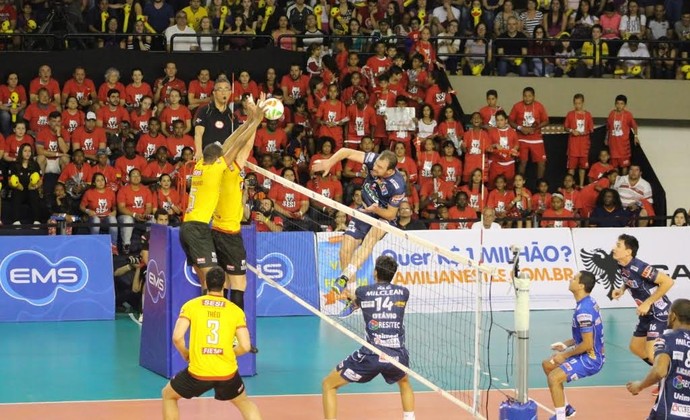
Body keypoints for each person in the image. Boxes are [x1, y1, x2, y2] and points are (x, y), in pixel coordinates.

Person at [180, 93, 266, 293]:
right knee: (216, 282)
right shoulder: (216, 170)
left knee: (206, 282)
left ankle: (207, 318)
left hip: (189, 226)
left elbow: (229, 143)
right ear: (218, 159)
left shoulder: (200, 165)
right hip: (201, 229)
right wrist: (256, 120)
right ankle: (219, 319)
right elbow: (237, 146)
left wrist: (249, 121)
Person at [312, 149, 406, 317]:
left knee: (370, 240)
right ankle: (353, 297)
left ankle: (344, 277)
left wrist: (376, 209)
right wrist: (329, 162)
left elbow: (391, 214)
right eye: (376, 164)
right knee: (345, 250)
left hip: (383, 215)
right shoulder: (374, 160)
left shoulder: (397, 185)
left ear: (389, 171)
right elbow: (345, 151)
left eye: (380, 167)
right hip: (366, 210)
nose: (374, 168)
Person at [161, 266, 262, 420]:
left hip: (198, 373)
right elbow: (246, 346)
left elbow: (177, 337)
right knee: (245, 403)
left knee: (168, 395)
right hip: (227, 373)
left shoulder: (191, 306)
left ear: (206, 284)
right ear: (224, 285)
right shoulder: (235, 311)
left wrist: (185, 353)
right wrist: (230, 353)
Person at [322, 255, 415, 420]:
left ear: (375, 272)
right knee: (404, 382)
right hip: (397, 356)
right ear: (393, 274)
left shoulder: (363, 292)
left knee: (328, 385)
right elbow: (377, 301)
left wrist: (341, 295)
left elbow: (358, 303)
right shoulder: (403, 293)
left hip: (371, 355)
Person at [611, 234, 674, 395]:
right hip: (646, 314)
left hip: (659, 312)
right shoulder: (621, 265)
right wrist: (622, 290)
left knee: (653, 353)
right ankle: (662, 376)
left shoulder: (641, 267)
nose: (614, 248)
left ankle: (674, 380)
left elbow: (668, 282)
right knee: (636, 348)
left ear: (628, 252)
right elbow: (629, 279)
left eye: (618, 245)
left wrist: (647, 302)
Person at [542, 271, 604, 420]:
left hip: (591, 359)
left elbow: (588, 344)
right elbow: (585, 336)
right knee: (548, 365)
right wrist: (565, 344)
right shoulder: (587, 302)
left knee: (554, 378)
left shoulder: (584, 310)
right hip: (585, 352)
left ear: (581, 286)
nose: (571, 279)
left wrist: (564, 355)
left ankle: (561, 417)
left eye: (574, 278)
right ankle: (566, 408)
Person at [626, 298, 690, 419]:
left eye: (669, 313)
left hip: (669, 413)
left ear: (673, 316)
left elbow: (659, 370)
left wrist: (640, 386)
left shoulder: (667, 338)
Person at [193, 76, 234, 160]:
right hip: (207, 157)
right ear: (214, 93)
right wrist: (199, 152)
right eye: (220, 89)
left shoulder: (232, 116)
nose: (223, 92)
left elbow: (234, 138)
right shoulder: (204, 110)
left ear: (230, 92)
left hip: (224, 159)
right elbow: (198, 133)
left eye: (226, 89)